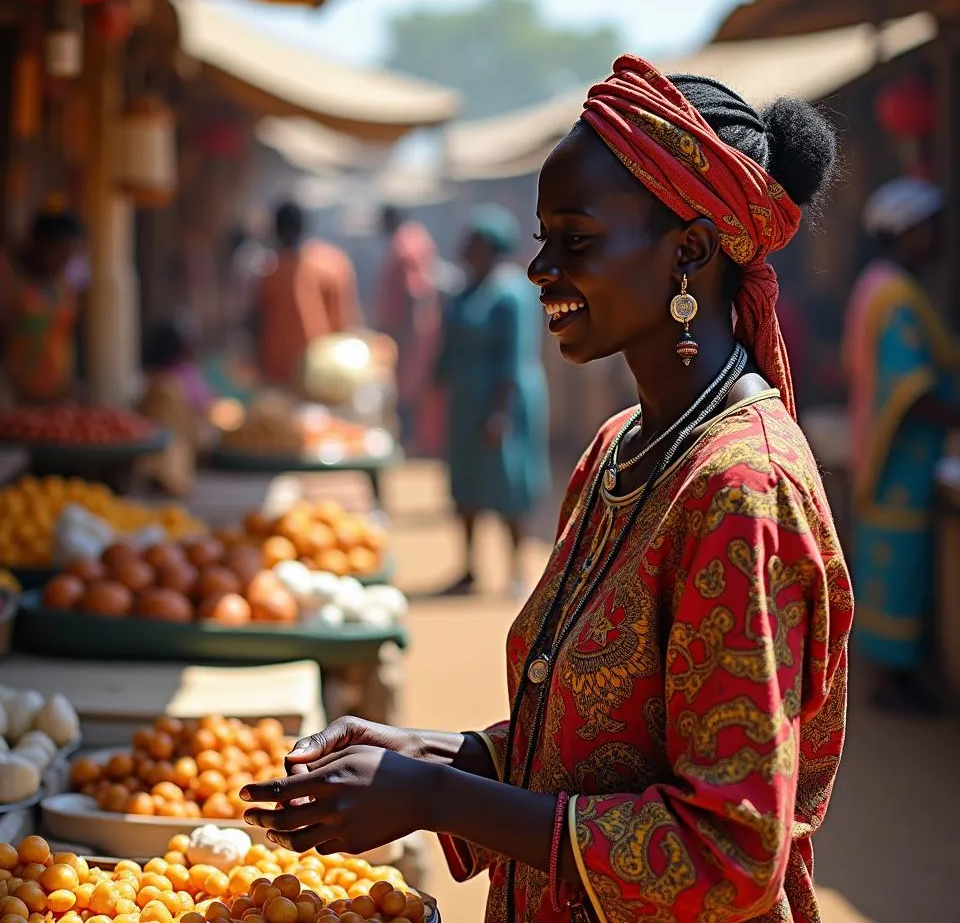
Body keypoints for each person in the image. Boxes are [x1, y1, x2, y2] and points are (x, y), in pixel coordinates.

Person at [241, 57, 854, 923]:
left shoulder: (739, 492)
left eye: (576, 239)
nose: (540, 269)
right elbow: (599, 752)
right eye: (541, 237)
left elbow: (728, 853)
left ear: (688, 251)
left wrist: (437, 800)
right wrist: (437, 756)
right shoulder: (621, 450)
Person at [842, 177, 958, 715]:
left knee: (894, 561)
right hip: (900, 457)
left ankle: (898, 671)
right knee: (900, 564)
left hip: (887, 449)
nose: (937, 238)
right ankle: (893, 677)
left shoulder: (881, 283)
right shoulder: (894, 296)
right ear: (908, 231)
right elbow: (910, 385)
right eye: (930, 228)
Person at [435, 204, 550, 599]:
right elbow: (447, 344)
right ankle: (469, 567)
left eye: (473, 241)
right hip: (465, 403)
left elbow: (515, 356)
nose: (464, 247)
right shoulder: (464, 289)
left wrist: (500, 413)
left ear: (491, 246)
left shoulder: (511, 292)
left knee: (507, 481)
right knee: (465, 481)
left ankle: (517, 569)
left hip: (504, 401)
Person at [0, 206, 84, 406]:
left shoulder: (62, 286)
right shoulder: (4, 276)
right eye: (60, 251)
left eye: (70, 254)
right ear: (37, 243)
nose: (65, 261)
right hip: (11, 398)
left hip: (57, 397)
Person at [257, 201, 362, 387]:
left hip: (291, 376)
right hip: (320, 376)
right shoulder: (332, 263)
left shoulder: (270, 272)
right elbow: (346, 324)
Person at [374, 206, 443, 455]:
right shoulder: (415, 238)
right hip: (415, 331)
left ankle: (409, 446)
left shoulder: (404, 246)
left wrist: (404, 337)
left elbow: (414, 293)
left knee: (408, 393)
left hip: (410, 334)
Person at [136, 318, 215, 497]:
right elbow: (205, 406)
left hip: (151, 455)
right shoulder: (186, 377)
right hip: (178, 450)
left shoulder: (150, 380)